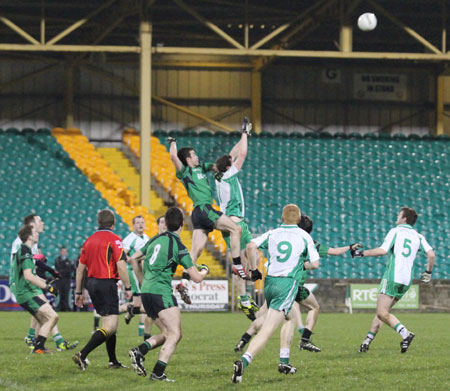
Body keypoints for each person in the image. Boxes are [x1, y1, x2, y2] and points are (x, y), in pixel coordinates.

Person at [232, 204, 320, 383]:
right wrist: (303, 264)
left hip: (270, 282)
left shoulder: (273, 233)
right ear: (298, 220)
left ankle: (284, 362)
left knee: (290, 318)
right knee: (267, 330)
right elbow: (316, 263)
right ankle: (244, 361)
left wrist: (254, 269)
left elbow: (250, 246)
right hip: (286, 284)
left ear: (282, 218)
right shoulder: (304, 236)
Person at [167, 120, 251, 301]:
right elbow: (174, 157)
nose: (197, 156)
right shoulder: (185, 172)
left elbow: (228, 158)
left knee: (196, 250)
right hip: (205, 209)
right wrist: (173, 142)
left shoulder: (201, 168)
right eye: (194, 154)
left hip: (197, 215)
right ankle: (237, 264)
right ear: (188, 159)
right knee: (236, 229)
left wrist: (243, 136)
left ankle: (183, 282)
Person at [127, 207, 210, 382]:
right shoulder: (178, 246)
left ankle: (140, 351)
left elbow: (133, 258)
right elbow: (195, 278)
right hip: (161, 292)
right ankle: (157, 373)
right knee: (175, 334)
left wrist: (142, 280)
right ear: (181, 225)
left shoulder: (155, 239)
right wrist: (204, 271)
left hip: (147, 292)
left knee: (166, 332)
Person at [353, 207, 435, 353]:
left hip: (392, 277)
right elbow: (431, 255)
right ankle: (367, 341)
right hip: (406, 280)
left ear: (404, 219)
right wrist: (427, 272)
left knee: (382, 313)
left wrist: (361, 253)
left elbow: (383, 250)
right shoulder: (418, 236)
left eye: (399, 215)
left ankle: (406, 334)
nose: (396, 217)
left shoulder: (395, 231)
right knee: (384, 313)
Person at [72, 209, 132, 370]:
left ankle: (113, 361)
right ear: (113, 223)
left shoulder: (89, 240)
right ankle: (82, 354)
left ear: (99, 222)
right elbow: (121, 265)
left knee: (108, 323)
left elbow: (80, 269)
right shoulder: (115, 239)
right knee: (110, 326)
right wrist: (128, 287)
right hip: (106, 282)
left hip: (91, 283)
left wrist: (78, 292)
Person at [214, 117, 261, 320]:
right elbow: (241, 154)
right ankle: (248, 290)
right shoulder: (230, 174)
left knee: (243, 259)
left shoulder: (220, 176)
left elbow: (232, 154)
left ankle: (244, 298)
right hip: (236, 222)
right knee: (245, 257)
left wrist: (244, 134)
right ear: (229, 166)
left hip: (231, 222)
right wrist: (244, 134)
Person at [10, 214, 76, 351]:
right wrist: (46, 285)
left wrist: (47, 274)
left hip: (27, 281)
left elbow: (32, 264)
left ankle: (48, 341)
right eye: (40, 220)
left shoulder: (30, 244)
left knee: (45, 310)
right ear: (32, 225)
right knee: (47, 312)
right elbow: (20, 267)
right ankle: (44, 341)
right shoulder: (21, 245)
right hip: (21, 283)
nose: (43, 223)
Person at [11, 225, 59, 354]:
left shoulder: (25, 250)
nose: (38, 234)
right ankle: (39, 347)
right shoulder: (25, 251)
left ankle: (38, 348)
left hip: (26, 292)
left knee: (44, 319)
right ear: (29, 236)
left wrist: (46, 282)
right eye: (35, 233)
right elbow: (28, 276)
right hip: (27, 293)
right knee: (52, 317)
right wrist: (47, 287)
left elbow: (32, 274)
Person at [121, 215, 150, 336]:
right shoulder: (129, 239)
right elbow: (122, 255)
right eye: (138, 222)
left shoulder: (147, 238)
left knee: (138, 302)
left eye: (142, 222)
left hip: (144, 271)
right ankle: (142, 330)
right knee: (143, 299)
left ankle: (130, 312)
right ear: (133, 225)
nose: (140, 224)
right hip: (133, 271)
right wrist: (133, 260)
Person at [54, 246, 75, 312]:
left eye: (65, 252)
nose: (64, 253)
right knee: (59, 294)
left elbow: (71, 269)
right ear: (60, 252)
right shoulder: (57, 260)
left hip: (66, 280)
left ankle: (67, 307)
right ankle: (59, 307)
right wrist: (65, 271)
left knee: (66, 294)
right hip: (59, 280)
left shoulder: (68, 261)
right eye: (63, 251)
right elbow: (58, 269)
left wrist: (63, 271)